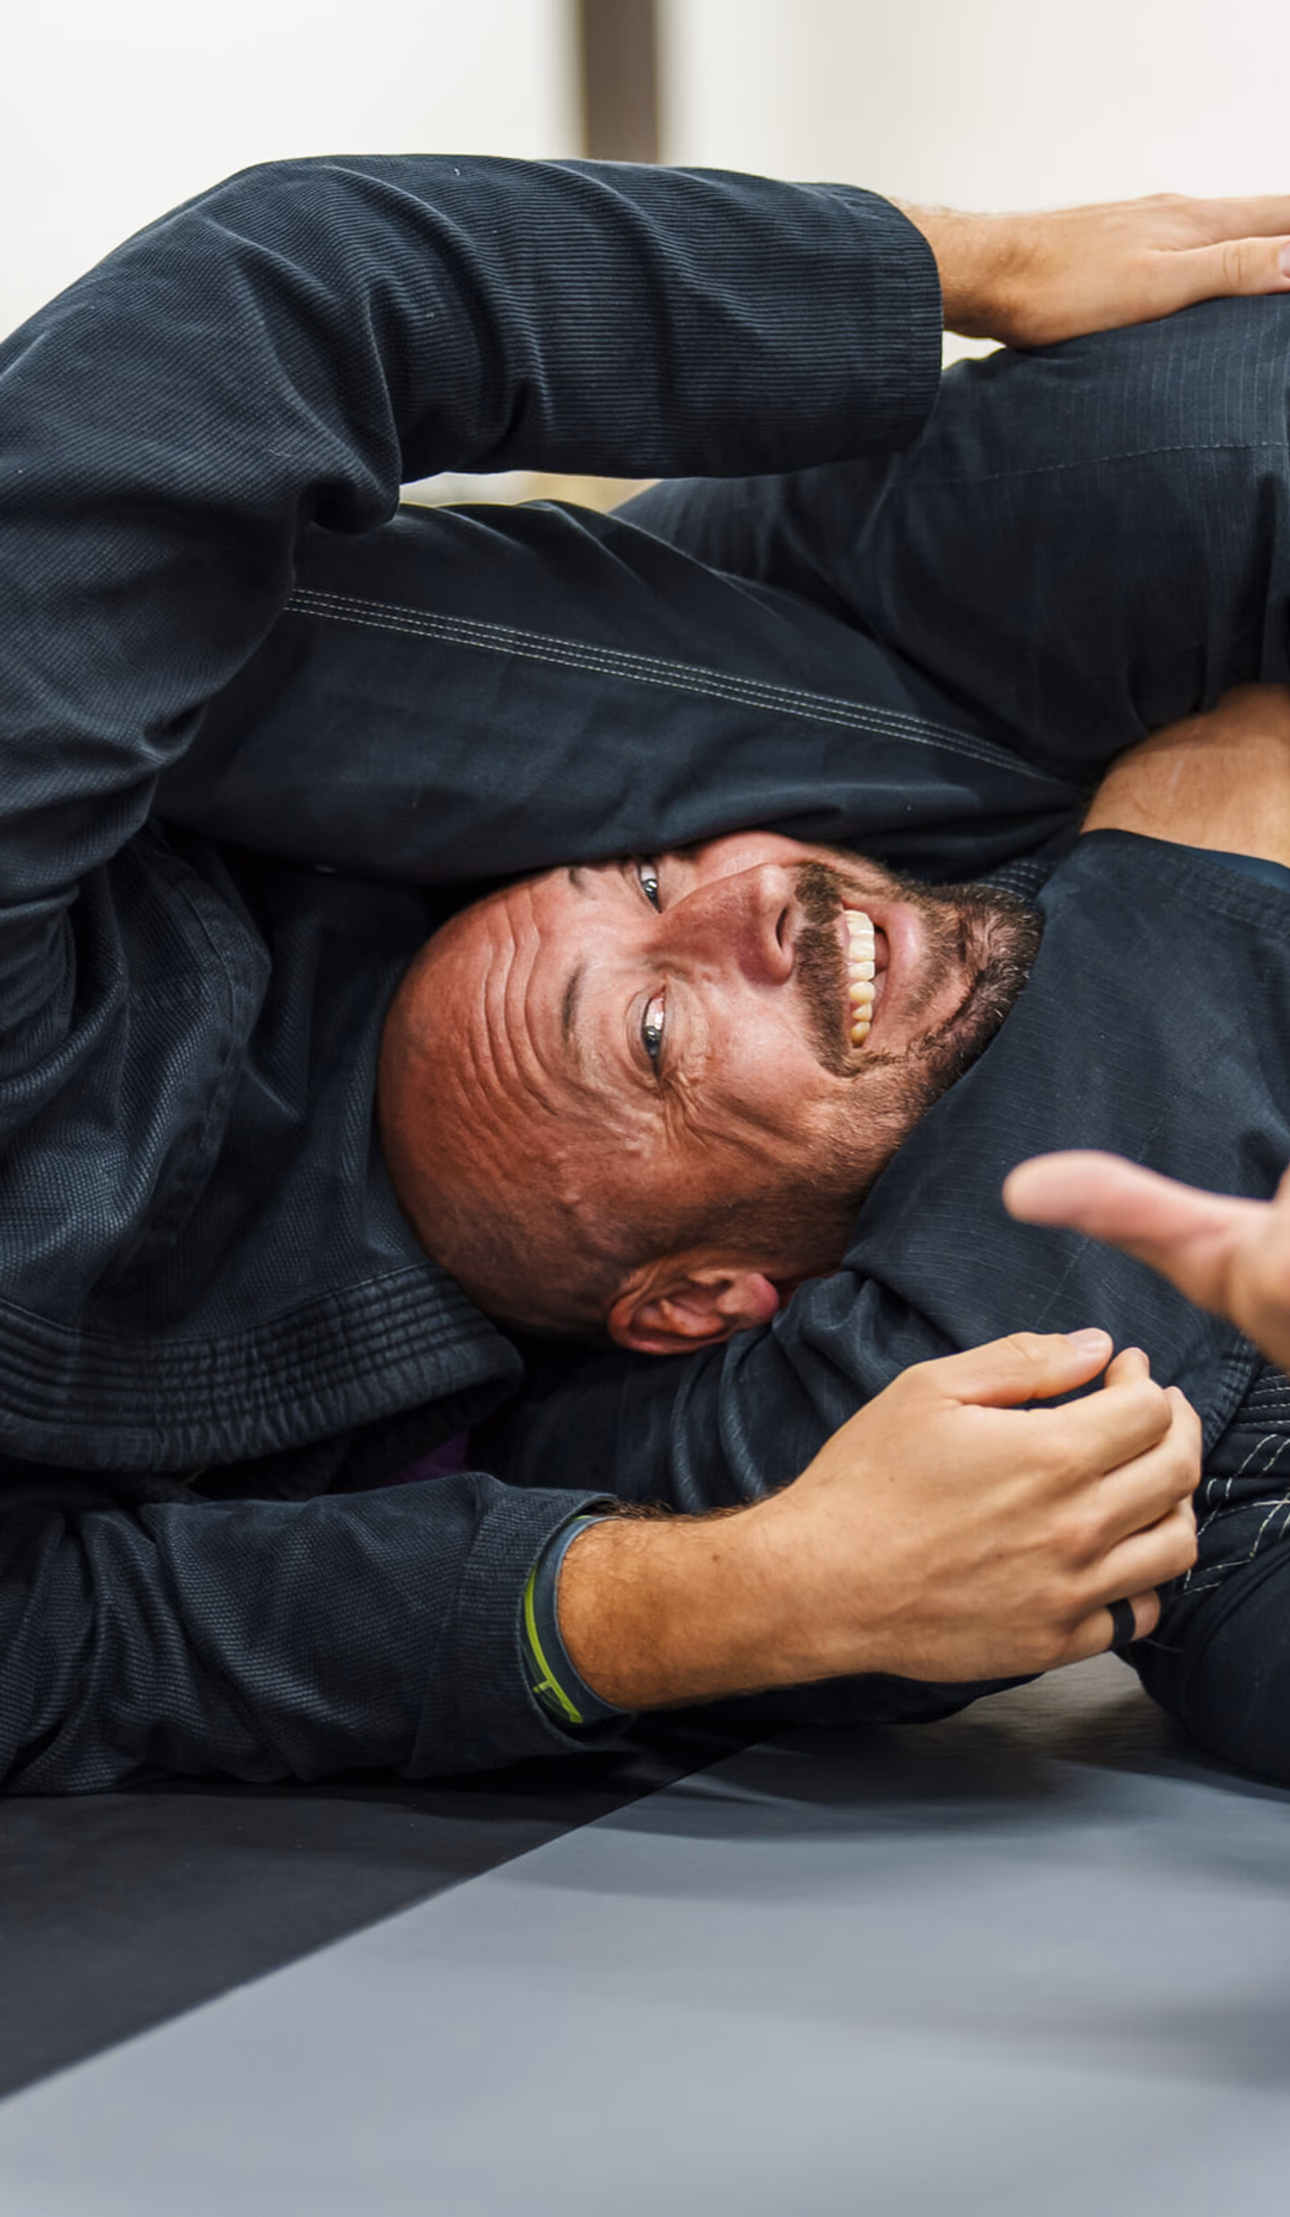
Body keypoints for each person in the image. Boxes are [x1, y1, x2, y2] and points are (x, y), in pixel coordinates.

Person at [0, 155, 1284, 1791]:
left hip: (662, 700)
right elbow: (71, 1652)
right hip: (532, 1301)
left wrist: (956, 262)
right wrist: (731, 1603)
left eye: (655, 882)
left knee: (1236, 430)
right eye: (655, 1026)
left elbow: (280, 287)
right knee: (1109, 1528)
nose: (746, 900)